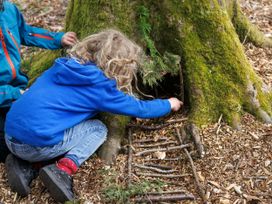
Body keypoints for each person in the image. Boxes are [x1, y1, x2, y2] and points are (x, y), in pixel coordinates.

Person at [4, 29, 183, 202]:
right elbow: (139, 108)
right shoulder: (100, 88)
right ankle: (63, 169)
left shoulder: (63, 66)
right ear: (119, 65)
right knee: (97, 129)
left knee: (46, 127)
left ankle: (26, 165)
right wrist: (168, 104)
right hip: (35, 145)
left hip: (10, 135)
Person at [0, 0, 77, 162]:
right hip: (6, 94)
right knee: (6, 144)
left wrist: (58, 39)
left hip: (15, 89)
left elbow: (26, 32)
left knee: (31, 132)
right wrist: (15, 93)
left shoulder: (8, 9)